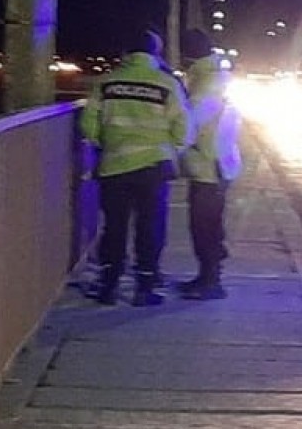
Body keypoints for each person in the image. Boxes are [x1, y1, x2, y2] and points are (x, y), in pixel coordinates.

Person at [80, 31, 190, 305]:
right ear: (156, 52)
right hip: (153, 167)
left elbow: (88, 123)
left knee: (114, 226)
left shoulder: (107, 82)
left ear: (126, 52)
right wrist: (170, 149)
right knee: (149, 226)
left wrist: (104, 143)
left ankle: (109, 285)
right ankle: (145, 286)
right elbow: (184, 128)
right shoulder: (167, 83)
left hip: (114, 166)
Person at [178, 29, 242, 299]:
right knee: (208, 225)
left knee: (204, 226)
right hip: (216, 163)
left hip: (209, 166)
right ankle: (206, 277)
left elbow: (189, 125)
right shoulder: (212, 78)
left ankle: (210, 281)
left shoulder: (206, 84)